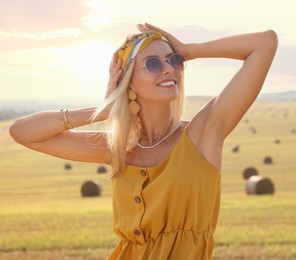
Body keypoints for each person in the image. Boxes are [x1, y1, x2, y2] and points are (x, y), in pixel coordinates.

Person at [9, 23, 278, 259]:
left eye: (174, 61)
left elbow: (264, 43)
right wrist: (104, 109)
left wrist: (189, 50)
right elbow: (22, 131)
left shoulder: (201, 135)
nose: (169, 69)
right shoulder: (118, 148)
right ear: (129, 81)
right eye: (152, 64)